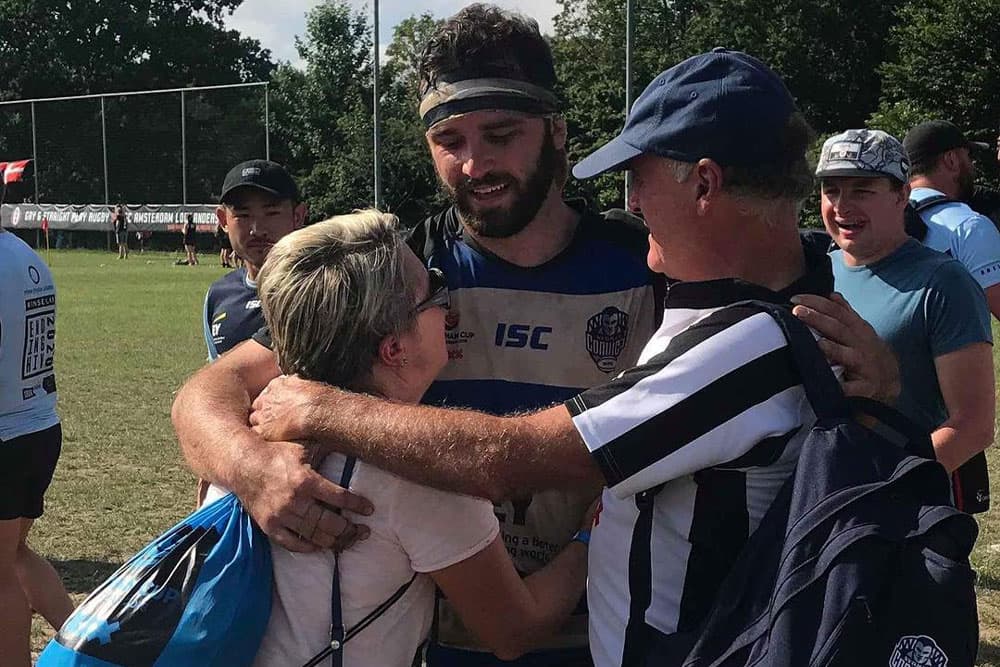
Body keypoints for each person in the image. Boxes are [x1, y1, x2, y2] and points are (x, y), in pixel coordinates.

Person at [174, 49, 897, 667]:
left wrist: (884, 384)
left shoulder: (658, 266)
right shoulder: (402, 266)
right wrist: (250, 464)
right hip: (447, 636)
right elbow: (211, 389)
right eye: (449, 138)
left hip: (614, 637)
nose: (474, 161)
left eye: (500, 134)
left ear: (554, 133)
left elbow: (510, 454)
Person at [214, 210, 591, 666]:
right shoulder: (423, 475)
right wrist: (590, 537)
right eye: (435, 291)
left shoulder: (240, 443)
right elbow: (514, 630)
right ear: (394, 348)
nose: (450, 310)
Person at [817, 128, 995, 478]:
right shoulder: (819, 271)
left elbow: (973, 426)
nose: (841, 205)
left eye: (862, 190)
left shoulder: (944, 282)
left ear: (902, 194)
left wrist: (890, 486)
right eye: (831, 190)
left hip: (905, 510)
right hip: (822, 491)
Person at [0, 226, 74, 667]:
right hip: (40, 427)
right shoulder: (22, 252)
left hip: (7, 434)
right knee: (16, 554)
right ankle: (95, 643)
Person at [902, 120, 1000, 318]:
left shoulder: (883, 218)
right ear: (952, 160)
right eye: (968, 156)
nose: (972, 165)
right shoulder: (968, 226)